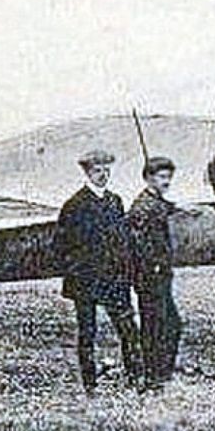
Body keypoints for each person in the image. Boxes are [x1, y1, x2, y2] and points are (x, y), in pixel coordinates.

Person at [53, 149, 143, 394]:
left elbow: (122, 241)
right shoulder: (74, 205)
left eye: (106, 170)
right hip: (87, 281)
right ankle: (90, 384)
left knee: (128, 329)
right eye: (97, 171)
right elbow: (61, 246)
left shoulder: (115, 201)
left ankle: (136, 378)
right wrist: (79, 270)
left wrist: (126, 272)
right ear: (87, 173)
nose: (103, 175)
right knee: (87, 333)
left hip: (115, 279)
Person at [126, 156, 185, 389]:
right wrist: (154, 266)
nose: (167, 181)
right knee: (159, 325)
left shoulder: (154, 202)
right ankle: (155, 375)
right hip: (151, 276)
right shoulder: (143, 206)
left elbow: (163, 208)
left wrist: (178, 208)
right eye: (162, 177)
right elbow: (138, 243)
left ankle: (160, 373)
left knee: (165, 324)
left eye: (169, 177)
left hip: (159, 275)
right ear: (149, 178)